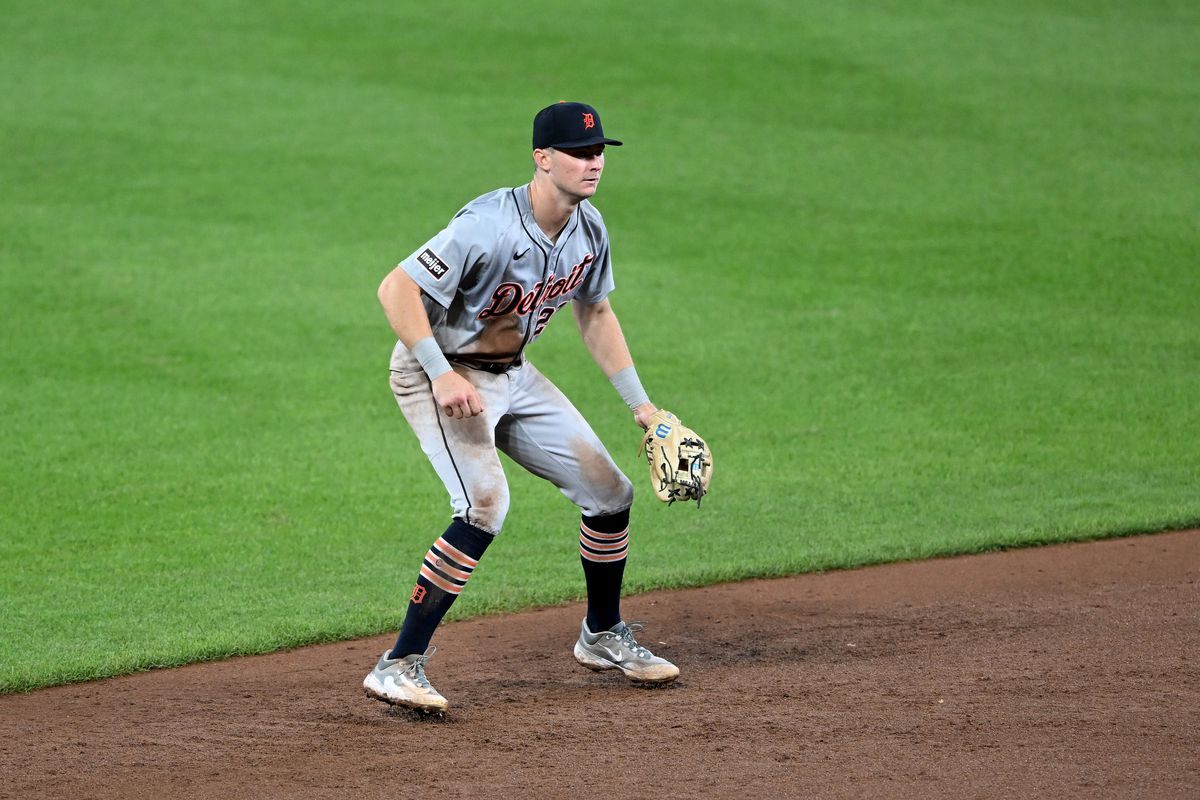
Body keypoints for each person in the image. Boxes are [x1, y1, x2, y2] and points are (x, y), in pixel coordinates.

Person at [363, 101, 679, 713]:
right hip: (440, 375)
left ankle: (602, 635)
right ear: (543, 158)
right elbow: (395, 289)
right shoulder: (487, 224)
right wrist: (440, 372)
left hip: (514, 374)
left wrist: (642, 407)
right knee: (485, 505)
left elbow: (596, 313)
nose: (593, 164)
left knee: (611, 494)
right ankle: (398, 664)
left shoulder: (590, 229)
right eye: (580, 153)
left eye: (599, 153)